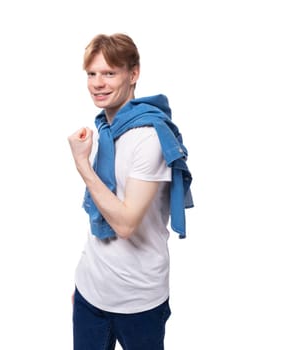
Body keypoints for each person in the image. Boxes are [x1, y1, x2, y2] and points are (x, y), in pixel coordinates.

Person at [67, 33, 193, 350]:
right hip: (91, 294)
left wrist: (82, 164)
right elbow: (102, 209)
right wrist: (85, 285)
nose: (98, 83)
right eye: (92, 74)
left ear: (133, 74)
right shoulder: (108, 130)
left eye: (109, 73)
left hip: (138, 302)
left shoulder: (149, 137)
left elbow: (124, 224)